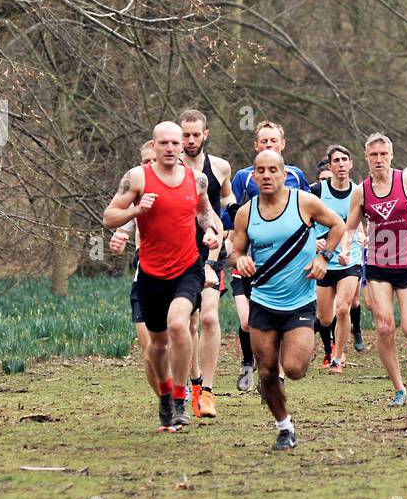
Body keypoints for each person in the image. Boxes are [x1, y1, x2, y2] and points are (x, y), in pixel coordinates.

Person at [103, 121, 221, 430]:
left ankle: (181, 399)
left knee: (179, 326)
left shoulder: (197, 180)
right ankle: (166, 395)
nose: (170, 148)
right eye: (163, 143)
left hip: (187, 269)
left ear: (182, 145)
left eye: (175, 143)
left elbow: (204, 213)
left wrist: (211, 231)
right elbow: (109, 216)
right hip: (151, 272)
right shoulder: (137, 177)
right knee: (156, 346)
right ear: (154, 147)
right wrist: (136, 211)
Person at [228, 150, 345, 449]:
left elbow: (338, 225)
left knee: (294, 369)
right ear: (253, 176)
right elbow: (235, 251)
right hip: (263, 302)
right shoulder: (246, 212)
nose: (266, 176)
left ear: (283, 174)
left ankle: (296, 346)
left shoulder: (303, 202)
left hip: (299, 303)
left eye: (272, 170)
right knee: (266, 373)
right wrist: (239, 261)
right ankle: (284, 426)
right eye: (260, 171)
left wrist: (324, 256)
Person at [339, 134, 407, 406]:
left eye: (383, 154)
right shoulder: (361, 190)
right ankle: (399, 388)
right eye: (373, 155)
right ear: (366, 158)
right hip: (377, 264)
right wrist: (345, 249)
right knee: (384, 328)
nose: (379, 159)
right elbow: (350, 225)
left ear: (391, 154)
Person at [228, 121, 313, 390]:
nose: (268, 145)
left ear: (282, 144)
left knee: (282, 326)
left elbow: (312, 215)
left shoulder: (296, 176)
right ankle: (249, 362)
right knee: (247, 321)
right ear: (255, 146)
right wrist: (234, 250)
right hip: (254, 265)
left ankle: (278, 375)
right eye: (263, 141)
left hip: (290, 269)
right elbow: (230, 218)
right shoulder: (244, 177)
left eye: (273, 141)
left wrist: (319, 248)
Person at [177, 110, 234, 418]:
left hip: (211, 251)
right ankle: (194, 384)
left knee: (210, 319)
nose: (190, 140)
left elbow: (226, 201)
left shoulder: (220, 167)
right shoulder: (170, 168)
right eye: (185, 135)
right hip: (178, 252)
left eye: (195, 135)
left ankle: (208, 393)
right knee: (189, 323)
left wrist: (236, 225)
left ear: (205, 135)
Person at [109, 140, 164, 401]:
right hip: (145, 277)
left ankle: (187, 386)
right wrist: (119, 237)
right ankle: (168, 400)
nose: (150, 165)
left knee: (175, 341)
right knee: (149, 352)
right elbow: (121, 222)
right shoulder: (138, 194)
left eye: (154, 159)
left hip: (181, 276)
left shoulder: (183, 186)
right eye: (145, 161)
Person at [310, 145, 364, 373]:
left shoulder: (359, 192)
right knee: (324, 318)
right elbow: (304, 221)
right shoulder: (316, 191)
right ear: (330, 166)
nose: (341, 164)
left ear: (350, 164)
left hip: (349, 259)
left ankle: (338, 358)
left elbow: (365, 223)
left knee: (343, 309)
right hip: (324, 259)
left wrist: (363, 236)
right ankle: (330, 345)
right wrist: (314, 240)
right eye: (336, 161)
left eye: (345, 159)